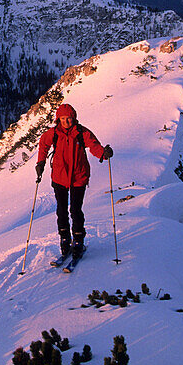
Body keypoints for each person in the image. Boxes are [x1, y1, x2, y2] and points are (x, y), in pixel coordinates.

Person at [35, 103, 113, 258]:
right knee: (61, 210)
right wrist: (40, 162)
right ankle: (65, 239)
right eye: (63, 119)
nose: (66, 122)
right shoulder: (54, 133)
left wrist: (103, 153)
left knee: (76, 210)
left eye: (69, 118)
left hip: (78, 176)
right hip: (59, 176)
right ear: (58, 119)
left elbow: (93, 145)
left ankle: (78, 240)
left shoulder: (81, 132)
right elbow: (43, 144)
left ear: (74, 118)